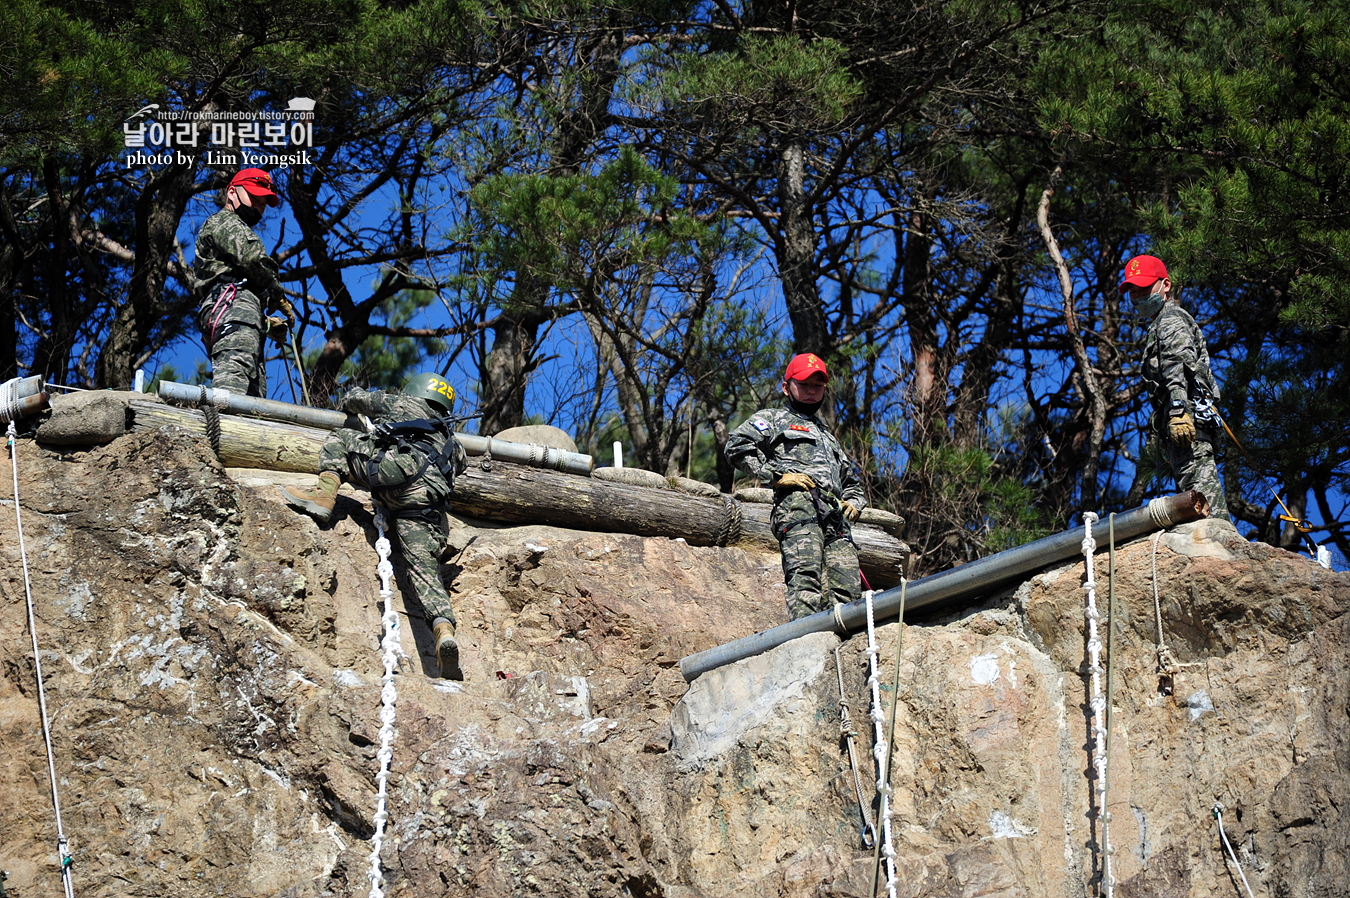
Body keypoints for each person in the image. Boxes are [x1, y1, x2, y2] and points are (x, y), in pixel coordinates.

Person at [281, 372, 469, 679]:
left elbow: (357, 400)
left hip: (393, 475)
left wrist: (348, 399)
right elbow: (461, 463)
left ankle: (325, 494)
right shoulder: (451, 440)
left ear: (416, 390)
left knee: (340, 438)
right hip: (424, 504)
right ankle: (443, 631)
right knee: (424, 572)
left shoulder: (401, 402)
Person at [725, 353, 867, 620]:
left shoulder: (828, 437)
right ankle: (807, 643)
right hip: (799, 510)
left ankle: (845, 650)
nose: (811, 391)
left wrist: (854, 504)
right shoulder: (775, 419)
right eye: (804, 384)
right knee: (806, 578)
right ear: (786, 386)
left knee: (847, 590)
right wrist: (775, 476)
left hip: (836, 519)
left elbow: (851, 484)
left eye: (818, 385)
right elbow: (736, 445)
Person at [1120, 254, 1231, 521]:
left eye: (1144, 289)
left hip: (1187, 421)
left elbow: (1177, 364)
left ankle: (1221, 548)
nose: (1138, 297)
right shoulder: (1161, 322)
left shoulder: (1170, 319)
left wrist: (1179, 408)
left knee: (1205, 503)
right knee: (1192, 495)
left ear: (1165, 285)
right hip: (1183, 425)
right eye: (1133, 292)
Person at [193, 168, 289, 397]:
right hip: (232, 308)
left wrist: (264, 321)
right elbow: (253, 260)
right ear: (232, 193)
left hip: (236, 309)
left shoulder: (232, 230)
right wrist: (277, 292)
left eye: (264, 202)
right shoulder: (224, 222)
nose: (259, 206)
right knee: (232, 392)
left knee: (253, 402)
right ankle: (219, 429)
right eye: (254, 197)